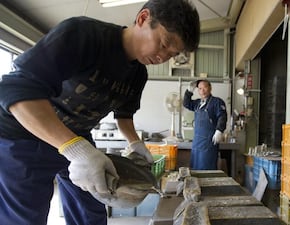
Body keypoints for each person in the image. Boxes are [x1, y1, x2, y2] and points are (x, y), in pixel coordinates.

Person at [0, 0, 200, 224]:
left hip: (77, 136)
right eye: (164, 44)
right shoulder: (83, 36)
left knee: (92, 212)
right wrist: (75, 149)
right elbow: (15, 90)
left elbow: (124, 115)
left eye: (172, 55)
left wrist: (135, 143)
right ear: (143, 18)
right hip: (24, 136)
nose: (163, 57)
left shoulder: (137, 75)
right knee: (25, 217)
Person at [183, 79, 227, 170]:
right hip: (196, 142)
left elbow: (222, 117)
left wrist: (219, 130)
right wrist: (189, 91)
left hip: (209, 143)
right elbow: (186, 103)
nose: (202, 91)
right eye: (199, 88)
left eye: (205, 87)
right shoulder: (197, 103)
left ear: (210, 88)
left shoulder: (217, 102)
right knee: (194, 169)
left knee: (207, 169)